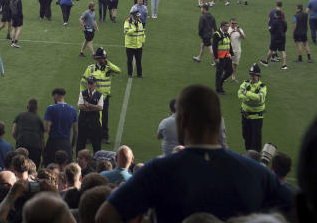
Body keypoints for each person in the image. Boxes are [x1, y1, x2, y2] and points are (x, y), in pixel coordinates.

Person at [96, 84, 293, 223]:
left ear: (182, 120)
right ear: (218, 123)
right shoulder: (254, 171)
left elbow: (104, 216)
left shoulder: (159, 170)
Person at [80, 47, 120, 143]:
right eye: (102, 58)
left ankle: (104, 136)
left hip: (104, 97)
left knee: (104, 117)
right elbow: (83, 83)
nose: (104, 60)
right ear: (97, 59)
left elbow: (118, 71)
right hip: (92, 97)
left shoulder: (109, 68)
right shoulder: (91, 69)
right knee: (91, 117)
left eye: (104, 58)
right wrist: (84, 97)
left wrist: (108, 63)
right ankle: (89, 137)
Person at [43, 87, 78, 164]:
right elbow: (75, 131)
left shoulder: (50, 108)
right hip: (66, 144)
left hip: (53, 144)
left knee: (50, 169)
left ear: (56, 95)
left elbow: (47, 128)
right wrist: (72, 146)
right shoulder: (73, 110)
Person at [238, 63, 266, 152]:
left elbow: (260, 98)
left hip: (256, 118)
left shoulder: (262, 87)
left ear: (258, 76)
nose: (251, 77)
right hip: (245, 116)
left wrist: (247, 94)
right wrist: (251, 96)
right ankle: (248, 154)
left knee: (256, 140)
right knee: (246, 136)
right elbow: (239, 95)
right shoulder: (245, 83)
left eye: (253, 75)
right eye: (250, 74)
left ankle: (255, 158)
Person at [12, 98, 45, 167]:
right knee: (33, 168)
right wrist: (43, 153)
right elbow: (42, 138)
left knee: (19, 166)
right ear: (37, 108)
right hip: (36, 147)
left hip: (22, 144)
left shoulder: (19, 116)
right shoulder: (39, 119)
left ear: (27, 107)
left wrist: (19, 140)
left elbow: (14, 133)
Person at [76, 77, 104, 153]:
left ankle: (97, 161)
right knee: (80, 144)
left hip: (94, 123)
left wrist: (88, 105)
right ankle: (79, 160)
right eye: (89, 83)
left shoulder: (100, 95)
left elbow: (100, 107)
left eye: (92, 83)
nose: (90, 85)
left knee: (96, 144)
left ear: (95, 84)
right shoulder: (82, 93)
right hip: (83, 122)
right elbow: (80, 106)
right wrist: (93, 108)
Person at [123, 7, 145, 78]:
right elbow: (126, 32)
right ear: (133, 15)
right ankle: (130, 74)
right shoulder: (127, 22)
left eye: (138, 16)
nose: (138, 17)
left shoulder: (140, 21)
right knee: (130, 61)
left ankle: (139, 74)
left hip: (138, 45)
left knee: (139, 61)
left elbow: (142, 33)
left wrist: (143, 41)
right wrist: (135, 29)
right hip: (130, 46)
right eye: (137, 16)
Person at [212, 21, 233, 94]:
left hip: (227, 56)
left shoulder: (227, 34)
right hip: (220, 57)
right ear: (222, 26)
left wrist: (232, 54)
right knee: (219, 73)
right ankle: (218, 89)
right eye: (227, 26)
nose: (228, 27)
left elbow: (229, 44)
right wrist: (216, 57)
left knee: (230, 71)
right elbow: (214, 47)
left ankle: (220, 82)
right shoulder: (217, 34)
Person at [228, 17, 245, 83]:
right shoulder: (228, 29)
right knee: (227, 64)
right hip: (229, 50)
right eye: (232, 23)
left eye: (235, 23)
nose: (234, 24)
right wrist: (231, 32)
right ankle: (224, 76)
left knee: (235, 64)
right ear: (230, 23)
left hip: (237, 50)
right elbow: (225, 37)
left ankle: (233, 77)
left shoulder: (239, 29)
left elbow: (244, 37)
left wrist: (239, 32)